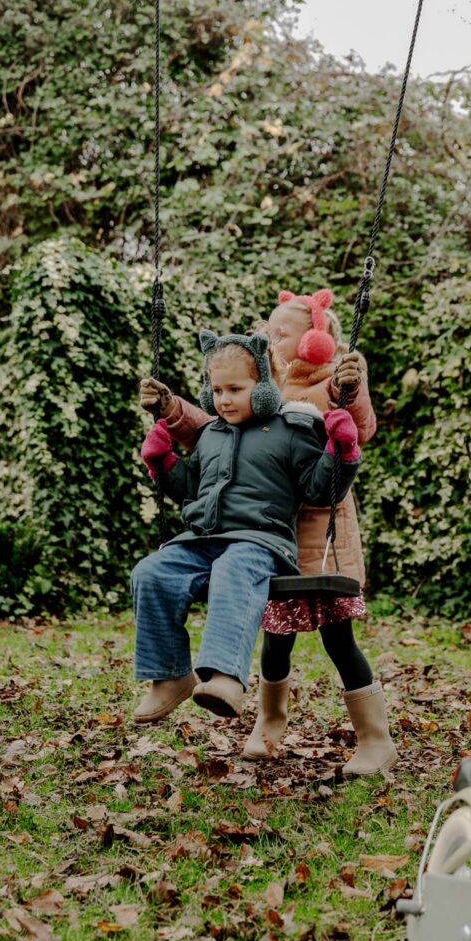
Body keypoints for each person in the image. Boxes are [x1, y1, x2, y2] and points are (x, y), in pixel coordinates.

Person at [140, 288, 397, 777]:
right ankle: (268, 723)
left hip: (317, 540)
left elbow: (359, 427)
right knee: (275, 638)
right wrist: (170, 408)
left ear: (315, 340)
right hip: (255, 529)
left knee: (337, 638)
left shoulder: (330, 384)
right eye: (268, 329)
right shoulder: (255, 384)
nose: (268, 336)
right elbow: (213, 425)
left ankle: (374, 738)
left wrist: (353, 387)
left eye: (281, 332)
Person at [132, 328, 361, 725]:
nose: (223, 400)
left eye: (235, 389)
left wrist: (341, 450)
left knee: (233, 567)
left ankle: (224, 675)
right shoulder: (209, 435)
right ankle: (170, 676)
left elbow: (320, 490)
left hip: (260, 542)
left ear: (262, 387)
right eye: (217, 391)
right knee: (150, 572)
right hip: (203, 539)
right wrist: (163, 465)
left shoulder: (290, 430)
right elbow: (191, 493)